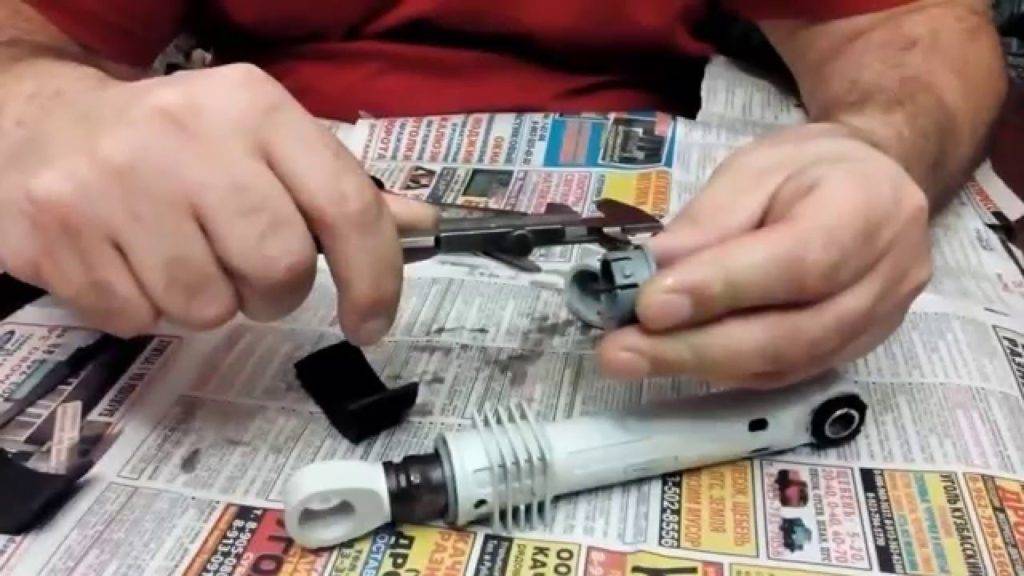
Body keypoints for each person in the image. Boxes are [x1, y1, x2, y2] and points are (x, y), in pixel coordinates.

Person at [0, 1, 1007, 387]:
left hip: (662, 165)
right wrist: (41, 110)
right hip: (266, 201)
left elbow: (905, 25)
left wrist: (873, 146)